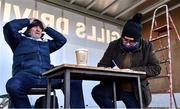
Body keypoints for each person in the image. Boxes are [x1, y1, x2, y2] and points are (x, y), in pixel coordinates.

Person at [3, 18, 85, 108]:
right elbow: (9, 27)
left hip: (47, 76)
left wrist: (46, 28)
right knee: (13, 85)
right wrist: (28, 21)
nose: (38, 29)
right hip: (26, 76)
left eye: (40, 28)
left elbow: (62, 40)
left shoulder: (46, 44)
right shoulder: (18, 40)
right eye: (35, 27)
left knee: (74, 79)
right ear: (28, 30)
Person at [91, 13, 161, 108]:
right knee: (97, 92)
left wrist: (132, 71)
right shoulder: (114, 45)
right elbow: (101, 65)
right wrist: (110, 70)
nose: (127, 44)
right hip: (116, 86)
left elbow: (156, 68)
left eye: (131, 41)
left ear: (138, 39)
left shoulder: (147, 46)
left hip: (134, 90)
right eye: (125, 40)